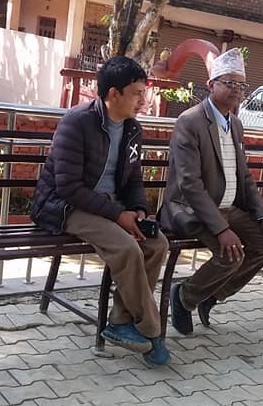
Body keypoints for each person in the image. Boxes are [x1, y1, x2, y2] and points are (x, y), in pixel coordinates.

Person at [31, 56, 170, 365]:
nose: (143, 101)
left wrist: (138, 210)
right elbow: (68, 187)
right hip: (65, 206)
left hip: (109, 206)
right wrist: (118, 216)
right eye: (136, 93)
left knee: (157, 244)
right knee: (127, 248)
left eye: (144, 92)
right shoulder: (77, 122)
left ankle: (120, 321)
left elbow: (133, 179)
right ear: (113, 94)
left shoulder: (132, 129)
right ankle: (152, 330)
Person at [159, 48, 263, 335]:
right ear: (211, 84)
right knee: (231, 254)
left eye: (241, 84)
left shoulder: (235, 124)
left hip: (228, 208)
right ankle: (184, 297)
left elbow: (244, 177)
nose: (236, 89)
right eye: (229, 83)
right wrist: (221, 229)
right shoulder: (190, 121)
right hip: (191, 209)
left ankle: (211, 295)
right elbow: (189, 183)